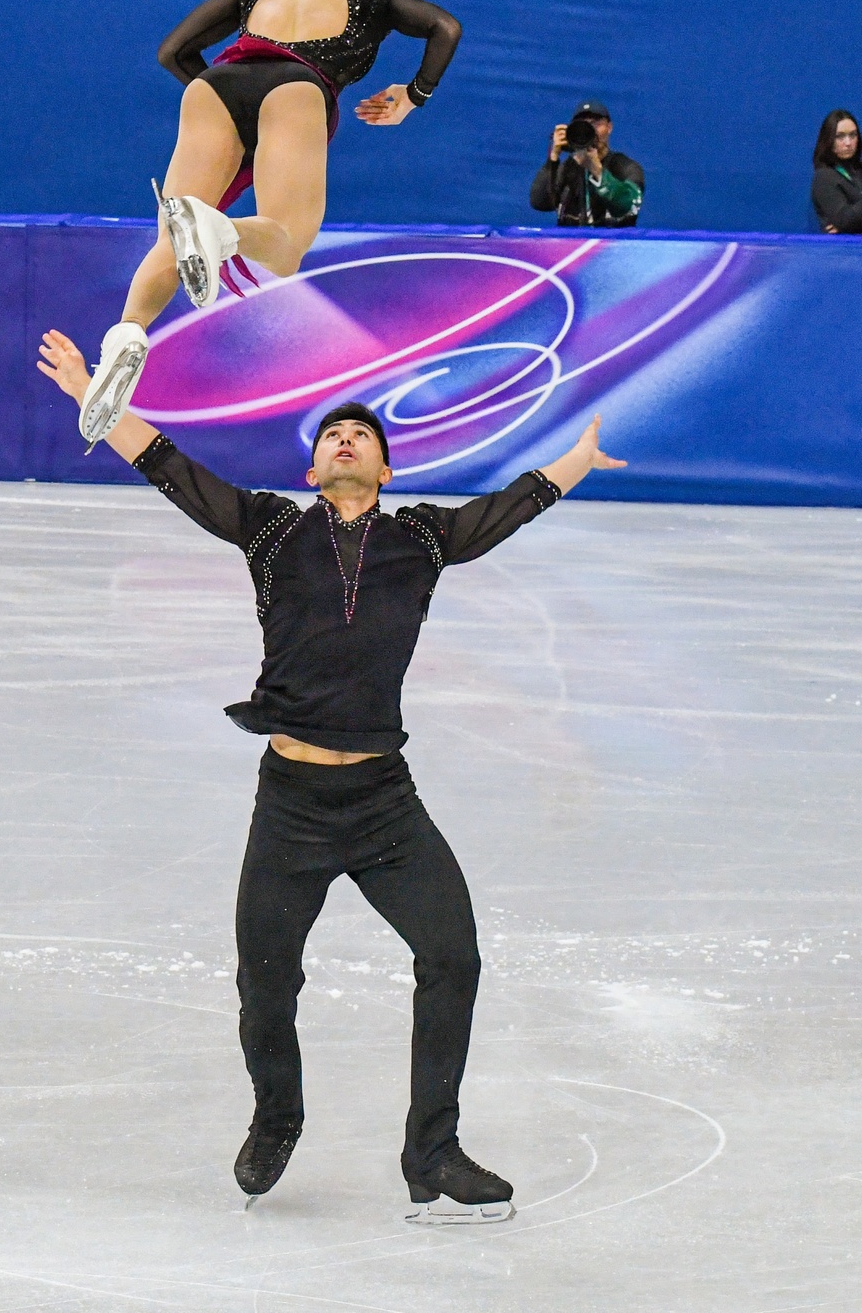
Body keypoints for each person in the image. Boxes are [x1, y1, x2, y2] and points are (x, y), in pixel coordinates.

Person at [37, 326, 626, 1224]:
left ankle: (432, 1148)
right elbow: (168, 467)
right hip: (292, 806)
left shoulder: (422, 539)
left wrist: (573, 464)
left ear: (385, 471)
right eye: (331, 436)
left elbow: (502, 512)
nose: (346, 439)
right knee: (264, 980)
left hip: (385, 805)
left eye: (364, 436)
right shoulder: (272, 528)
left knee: (452, 955)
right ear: (314, 471)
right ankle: (278, 1117)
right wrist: (95, 391)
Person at [78, 0, 462, 451]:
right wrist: (413, 96)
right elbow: (445, 28)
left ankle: (124, 338)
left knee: (169, 242)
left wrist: (229, 110)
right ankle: (217, 231)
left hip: (218, 85)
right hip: (295, 89)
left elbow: (174, 51)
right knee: (285, 243)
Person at [530, 101, 644, 228]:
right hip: (571, 245)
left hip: (613, 245)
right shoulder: (568, 168)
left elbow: (628, 207)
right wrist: (553, 158)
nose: (591, 130)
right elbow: (540, 203)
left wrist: (597, 171)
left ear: (609, 127)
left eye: (596, 123)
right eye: (583, 124)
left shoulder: (626, 167)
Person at [811, 109, 862, 234]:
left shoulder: (859, 170)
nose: (848, 143)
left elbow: (848, 222)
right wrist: (847, 224)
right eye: (840, 136)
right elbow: (844, 220)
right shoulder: (824, 177)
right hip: (846, 251)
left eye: (853, 135)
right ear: (828, 140)